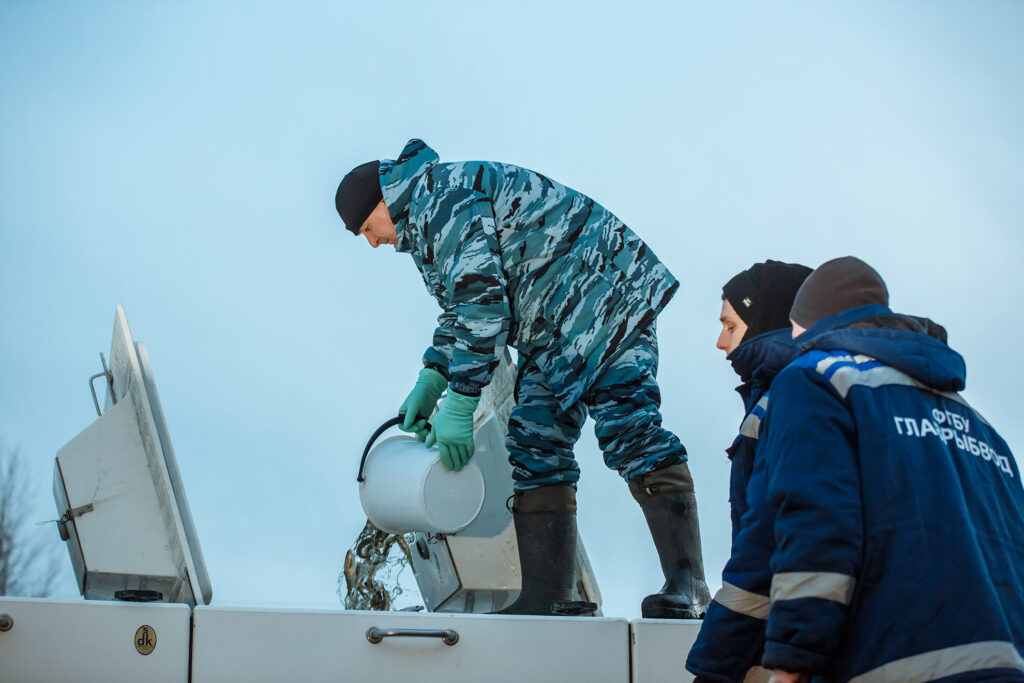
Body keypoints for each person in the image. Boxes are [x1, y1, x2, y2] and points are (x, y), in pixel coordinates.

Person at [334, 139, 709, 618]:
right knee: (534, 437)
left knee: (629, 428)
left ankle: (690, 584)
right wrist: (431, 380)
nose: (373, 241)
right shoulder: (427, 215)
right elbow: (460, 310)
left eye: (369, 227)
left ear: (384, 200)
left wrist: (461, 401)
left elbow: (483, 309)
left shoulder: (443, 200)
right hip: (553, 324)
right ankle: (550, 598)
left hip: (603, 300)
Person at [712, 256, 1024, 682]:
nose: (720, 343)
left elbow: (812, 535)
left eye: (729, 326)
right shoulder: (980, 427)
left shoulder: (811, 383)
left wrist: (777, 664)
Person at [686, 260, 811, 682]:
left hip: (787, 645)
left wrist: (715, 664)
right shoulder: (780, 398)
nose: (721, 342)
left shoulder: (787, 403)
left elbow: (767, 547)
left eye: (731, 326)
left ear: (766, 323)